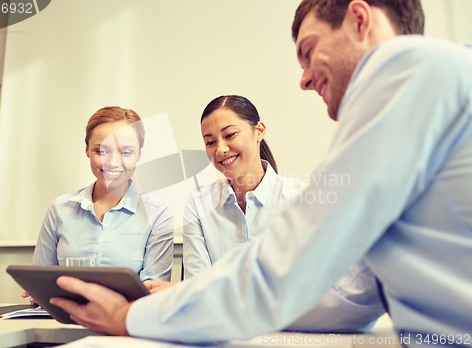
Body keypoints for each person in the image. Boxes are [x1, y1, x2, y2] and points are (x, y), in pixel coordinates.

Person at [50, 0, 472, 345]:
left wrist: (130, 316)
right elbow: (350, 295)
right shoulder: (428, 97)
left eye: (308, 51)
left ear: (360, 20)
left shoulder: (409, 70)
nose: (304, 79)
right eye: (209, 141)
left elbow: (282, 272)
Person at [147, 94, 384, 331]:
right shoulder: (199, 203)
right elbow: (196, 284)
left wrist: (201, 294)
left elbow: (300, 290)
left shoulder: (300, 198)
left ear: (258, 130)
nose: (220, 149)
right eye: (210, 142)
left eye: (230, 135)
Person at [29, 106, 173, 282]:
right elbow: (39, 281)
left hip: (128, 311)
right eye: (101, 151)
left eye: (126, 152)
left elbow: (155, 292)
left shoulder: (157, 212)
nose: (112, 162)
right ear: (87, 150)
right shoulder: (60, 209)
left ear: (139, 155)